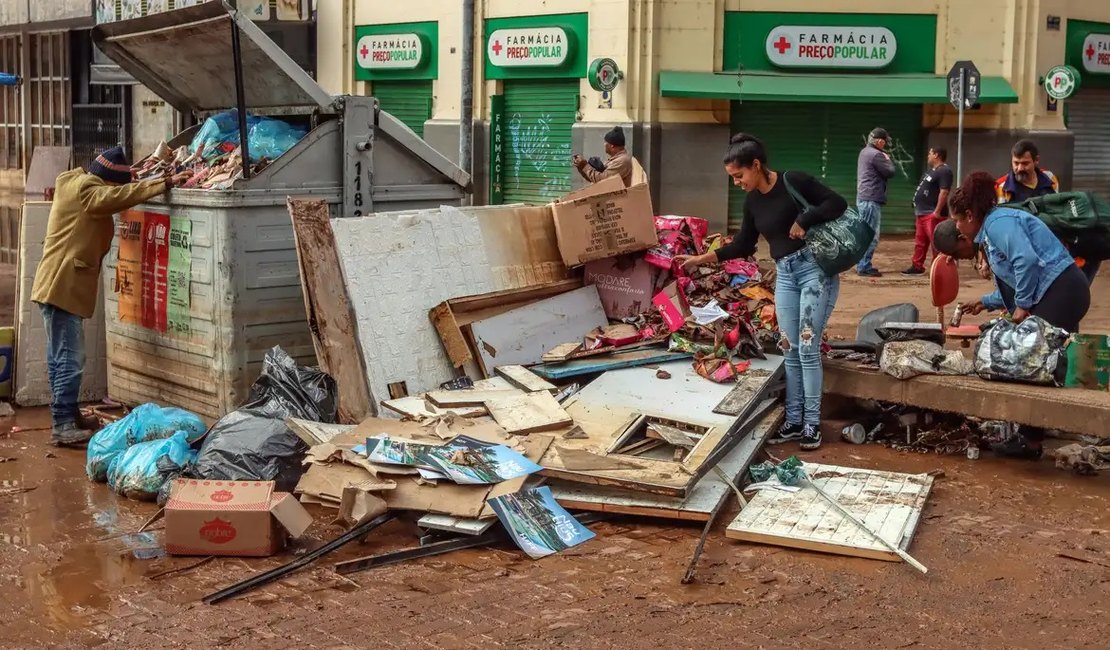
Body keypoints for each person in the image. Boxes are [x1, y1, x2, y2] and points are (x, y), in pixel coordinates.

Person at [675, 134, 846, 450]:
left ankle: (811, 424)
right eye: (733, 178)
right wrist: (701, 259)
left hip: (815, 273)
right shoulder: (752, 201)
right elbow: (743, 244)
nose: (737, 182)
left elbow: (837, 203)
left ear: (756, 165)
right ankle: (793, 421)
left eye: (740, 175)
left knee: (807, 350)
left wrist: (805, 218)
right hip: (785, 275)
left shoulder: (793, 180)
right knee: (789, 349)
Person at [31, 146, 191, 446]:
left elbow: (111, 194)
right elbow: (110, 199)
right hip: (63, 284)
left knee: (59, 356)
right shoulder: (89, 191)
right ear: (108, 181)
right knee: (70, 358)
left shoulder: (75, 181)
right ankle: (63, 424)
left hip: (55, 283)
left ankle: (66, 415)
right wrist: (162, 183)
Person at [933, 171, 1090, 334]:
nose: (957, 226)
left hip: (1061, 289)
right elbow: (1019, 282)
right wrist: (984, 302)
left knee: (1034, 353)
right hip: (1060, 290)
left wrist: (1022, 306)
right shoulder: (992, 229)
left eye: (957, 220)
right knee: (1058, 354)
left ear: (969, 215)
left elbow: (1026, 260)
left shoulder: (996, 223)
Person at [902, 147, 953, 275]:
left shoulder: (944, 171)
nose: (928, 156)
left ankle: (940, 269)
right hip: (921, 213)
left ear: (937, 155)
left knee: (937, 243)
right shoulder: (932, 171)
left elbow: (944, 191)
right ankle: (917, 266)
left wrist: (937, 211)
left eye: (930, 153)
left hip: (932, 213)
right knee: (920, 242)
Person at [855, 127, 896, 277]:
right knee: (871, 235)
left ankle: (862, 264)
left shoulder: (864, 152)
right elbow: (890, 171)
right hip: (871, 200)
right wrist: (887, 158)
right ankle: (864, 266)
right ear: (879, 141)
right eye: (885, 142)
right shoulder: (877, 155)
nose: (885, 145)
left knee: (865, 233)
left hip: (864, 198)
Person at [994, 139, 1059, 204]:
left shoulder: (1050, 178)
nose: (1020, 168)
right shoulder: (1002, 188)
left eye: (1025, 163)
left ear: (1036, 160)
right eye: (1016, 163)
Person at [572, 126, 637, 187]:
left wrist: (585, 166)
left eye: (605, 142)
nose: (604, 144)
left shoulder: (622, 161)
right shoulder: (615, 159)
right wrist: (581, 167)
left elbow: (602, 181)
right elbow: (594, 179)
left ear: (612, 145)